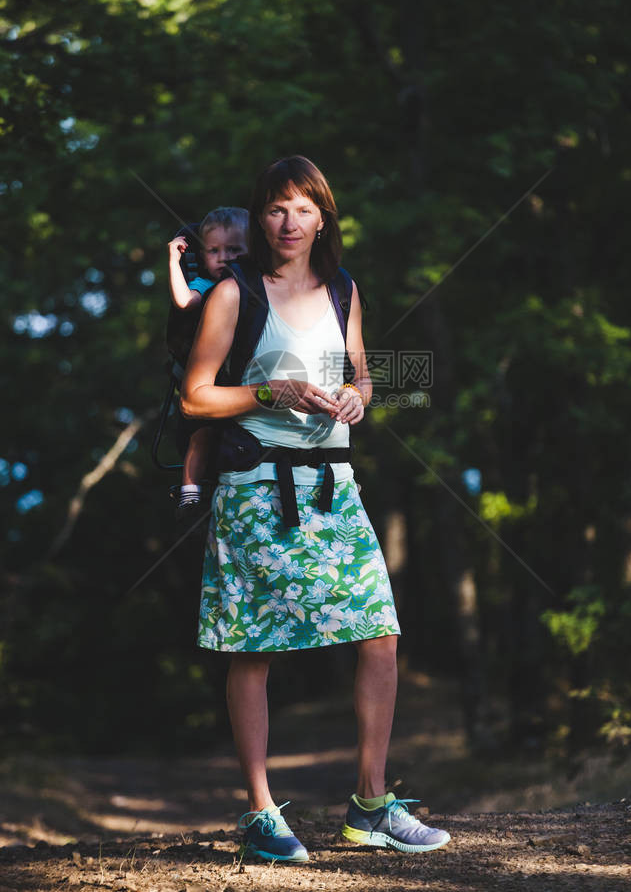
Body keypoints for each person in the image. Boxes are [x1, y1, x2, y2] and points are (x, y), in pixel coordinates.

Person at [181, 156, 450, 863]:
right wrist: (272, 393)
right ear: (260, 218)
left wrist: (361, 393)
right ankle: (263, 814)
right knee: (255, 648)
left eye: (302, 208)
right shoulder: (235, 295)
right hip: (255, 492)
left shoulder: (342, 289)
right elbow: (195, 397)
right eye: (274, 208)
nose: (288, 221)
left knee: (380, 631)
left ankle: (370, 805)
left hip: (335, 487)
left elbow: (358, 368)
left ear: (323, 216)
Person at [168, 206, 248, 513]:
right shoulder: (206, 285)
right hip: (213, 378)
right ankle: (190, 487)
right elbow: (184, 301)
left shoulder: (260, 285)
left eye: (234, 249)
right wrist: (175, 261)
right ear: (202, 257)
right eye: (214, 251)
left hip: (246, 375)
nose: (224, 257)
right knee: (201, 434)